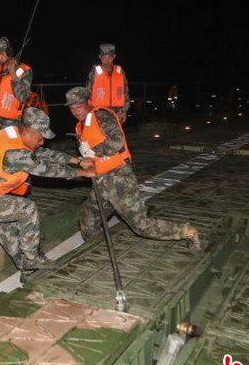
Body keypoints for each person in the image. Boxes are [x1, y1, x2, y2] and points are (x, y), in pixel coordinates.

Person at [0, 107, 94, 273]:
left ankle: (26, 269)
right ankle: (31, 259)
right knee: (26, 209)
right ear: (28, 131)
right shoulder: (15, 154)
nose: (42, 142)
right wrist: (84, 172)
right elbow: (48, 170)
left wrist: (77, 160)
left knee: (8, 231)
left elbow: (42, 153)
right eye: (40, 137)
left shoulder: (13, 134)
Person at [66, 87, 202, 251]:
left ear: (88, 102)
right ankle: (99, 251)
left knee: (140, 225)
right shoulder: (79, 127)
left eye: (79, 106)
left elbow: (117, 142)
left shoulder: (101, 116)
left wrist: (94, 152)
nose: (76, 111)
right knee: (89, 220)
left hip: (118, 178)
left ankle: (187, 231)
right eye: (72, 108)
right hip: (101, 180)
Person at [86, 43, 130, 122]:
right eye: (104, 58)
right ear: (100, 57)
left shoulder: (120, 72)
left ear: (114, 56)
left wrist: (124, 111)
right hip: (99, 112)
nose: (107, 61)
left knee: (117, 134)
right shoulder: (94, 72)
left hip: (117, 113)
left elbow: (125, 93)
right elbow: (88, 93)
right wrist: (89, 112)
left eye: (109, 57)